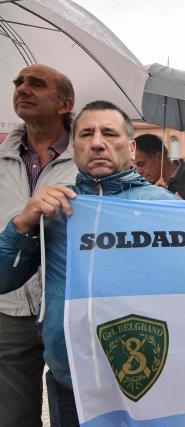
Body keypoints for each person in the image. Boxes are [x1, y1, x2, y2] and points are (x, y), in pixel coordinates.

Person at [0, 100, 177, 426]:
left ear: (131, 146)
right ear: (75, 147)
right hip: (70, 380)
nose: (97, 142)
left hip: (146, 377)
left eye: (109, 133)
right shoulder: (53, 207)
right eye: (86, 134)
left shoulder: (165, 208)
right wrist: (22, 224)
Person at [0, 64, 76, 427]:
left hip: (68, 307)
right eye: (18, 83)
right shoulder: (1, 159)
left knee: (75, 410)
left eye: (36, 83)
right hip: (9, 309)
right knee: (11, 417)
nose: (22, 89)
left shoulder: (90, 157)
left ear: (65, 103)